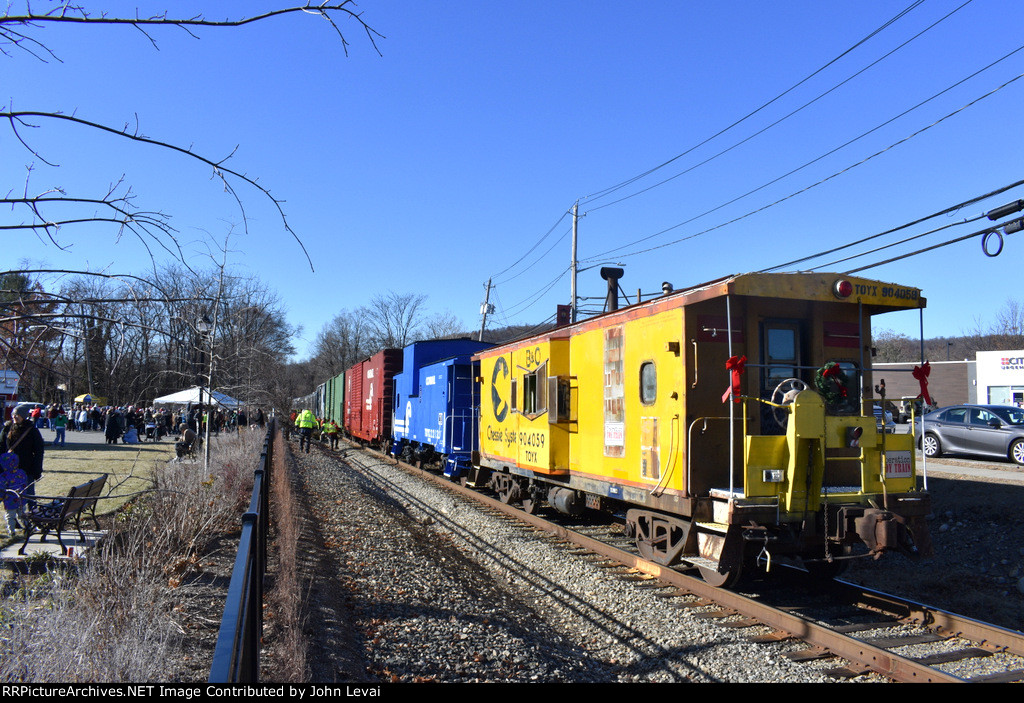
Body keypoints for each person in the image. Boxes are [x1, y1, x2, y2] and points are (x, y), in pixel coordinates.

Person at [1, 404, 45, 499]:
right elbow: (1, 446)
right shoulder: (7, 428)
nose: (14, 417)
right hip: (8, 467)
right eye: (13, 414)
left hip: (26, 467)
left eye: (17, 415)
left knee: (28, 493)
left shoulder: (32, 430)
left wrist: (37, 470)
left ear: (23, 416)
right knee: (8, 494)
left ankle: (32, 511)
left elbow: (39, 451)